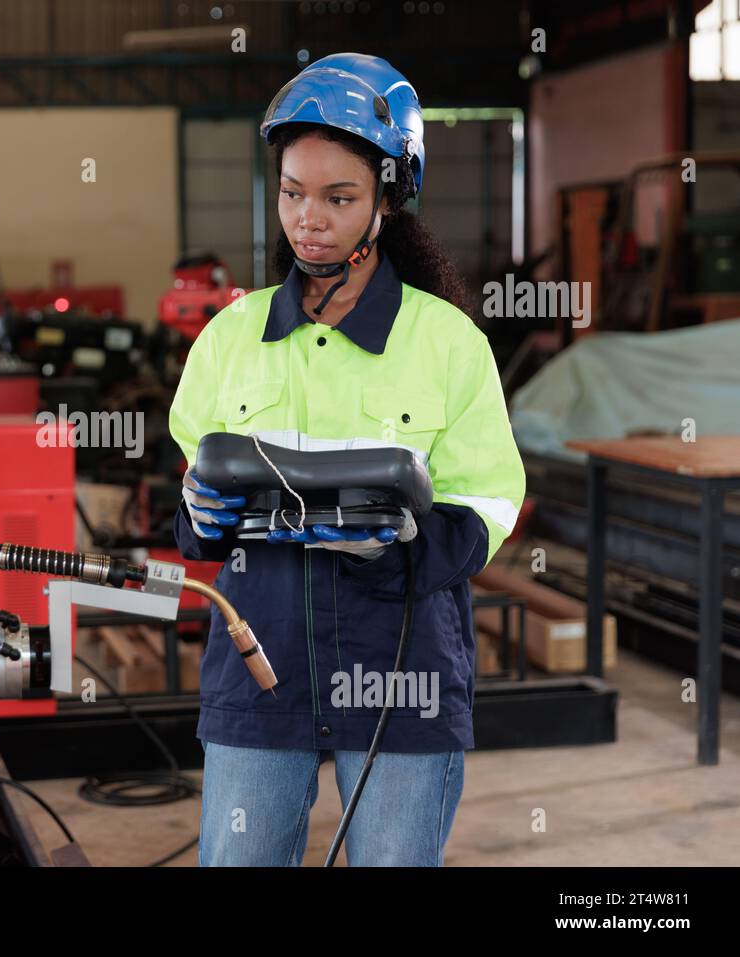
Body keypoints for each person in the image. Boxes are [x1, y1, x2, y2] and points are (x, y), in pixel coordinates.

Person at [168, 53, 526, 866]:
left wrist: (394, 550)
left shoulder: (447, 344)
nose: (309, 219)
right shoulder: (230, 339)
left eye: (339, 197)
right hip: (262, 667)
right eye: (294, 192)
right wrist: (197, 517)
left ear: (388, 200)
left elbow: (489, 504)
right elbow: (191, 497)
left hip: (401, 668)